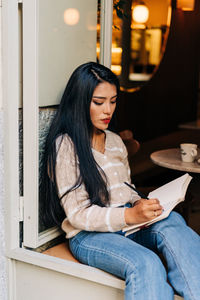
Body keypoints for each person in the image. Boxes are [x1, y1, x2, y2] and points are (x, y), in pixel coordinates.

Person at [43, 62, 200, 300]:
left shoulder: (115, 141)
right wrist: (129, 216)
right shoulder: (66, 146)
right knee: (146, 263)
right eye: (98, 102)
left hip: (126, 226)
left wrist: (141, 204)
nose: (108, 110)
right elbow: (78, 214)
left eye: (113, 101)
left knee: (174, 221)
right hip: (89, 235)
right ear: (80, 101)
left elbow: (127, 191)